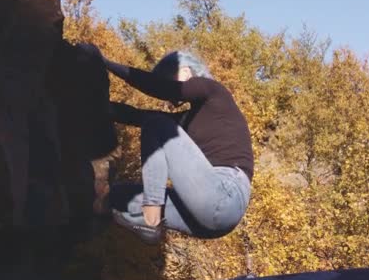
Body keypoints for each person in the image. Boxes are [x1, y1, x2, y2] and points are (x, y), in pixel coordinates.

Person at [82, 44, 254, 245]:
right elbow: (137, 116)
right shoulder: (188, 120)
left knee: (155, 124)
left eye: (166, 80)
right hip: (207, 220)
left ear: (185, 72)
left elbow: (158, 89)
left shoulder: (214, 91)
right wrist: (96, 107)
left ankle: (151, 216)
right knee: (118, 195)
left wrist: (106, 63)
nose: (171, 102)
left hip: (226, 192)